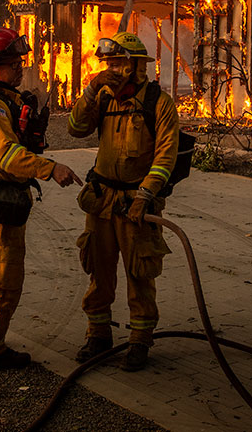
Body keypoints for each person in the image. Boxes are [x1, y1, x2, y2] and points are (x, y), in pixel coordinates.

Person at [0, 26, 82, 370]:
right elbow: (7, 156)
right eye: (13, 64)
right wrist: (49, 168)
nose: (20, 69)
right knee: (5, 276)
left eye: (20, 62)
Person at [67, 31, 180, 371]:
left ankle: (140, 340)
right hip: (101, 200)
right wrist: (90, 89)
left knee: (139, 272)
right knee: (99, 272)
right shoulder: (103, 98)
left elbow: (166, 156)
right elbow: (75, 128)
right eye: (108, 63)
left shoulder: (158, 103)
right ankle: (97, 335)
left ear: (136, 66)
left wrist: (146, 195)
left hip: (136, 204)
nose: (111, 69)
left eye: (117, 63)